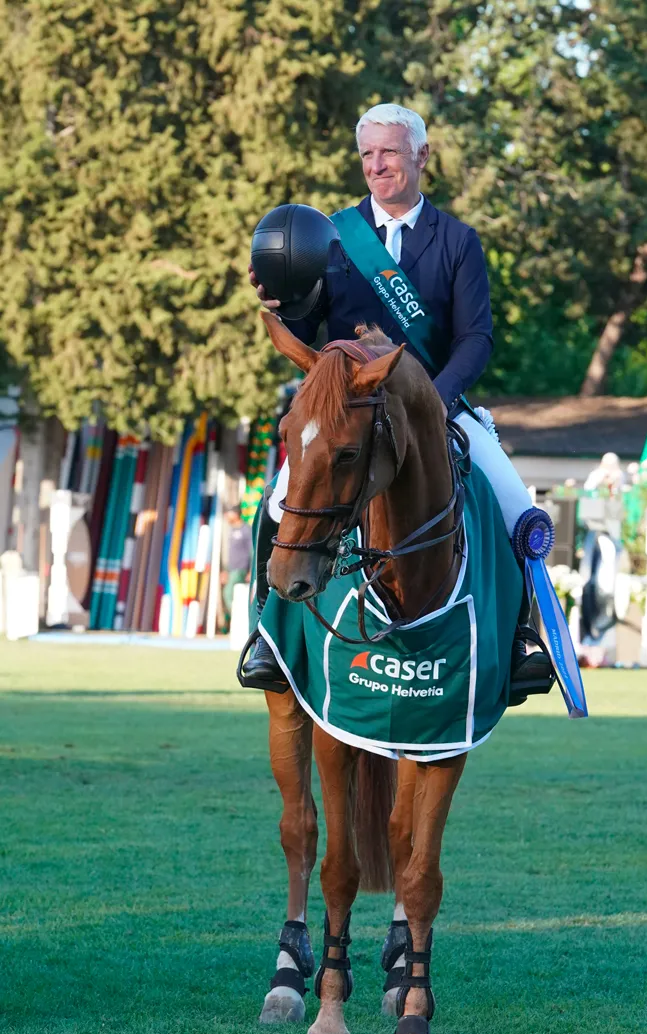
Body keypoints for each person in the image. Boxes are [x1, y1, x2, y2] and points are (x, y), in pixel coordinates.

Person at [240, 102, 540, 692]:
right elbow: (307, 332)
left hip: (440, 407)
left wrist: (435, 398)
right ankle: (267, 638)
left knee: (515, 506)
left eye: (390, 153)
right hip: (349, 413)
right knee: (276, 503)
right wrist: (283, 305)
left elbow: (476, 337)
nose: (377, 166)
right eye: (368, 155)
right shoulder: (330, 237)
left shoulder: (458, 241)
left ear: (421, 156)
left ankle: (520, 640)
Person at [220, 507, 251, 634]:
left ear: (236, 514)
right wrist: (225, 570)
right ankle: (234, 622)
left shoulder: (246, 530)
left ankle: (238, 622)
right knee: (228, 595)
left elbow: (251, 551)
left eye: (229, 513)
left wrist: (250, 570)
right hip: (231, 569)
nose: (227, 516)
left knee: (229, 594)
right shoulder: (231, 530)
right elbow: (229, 554)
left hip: (241, 569)